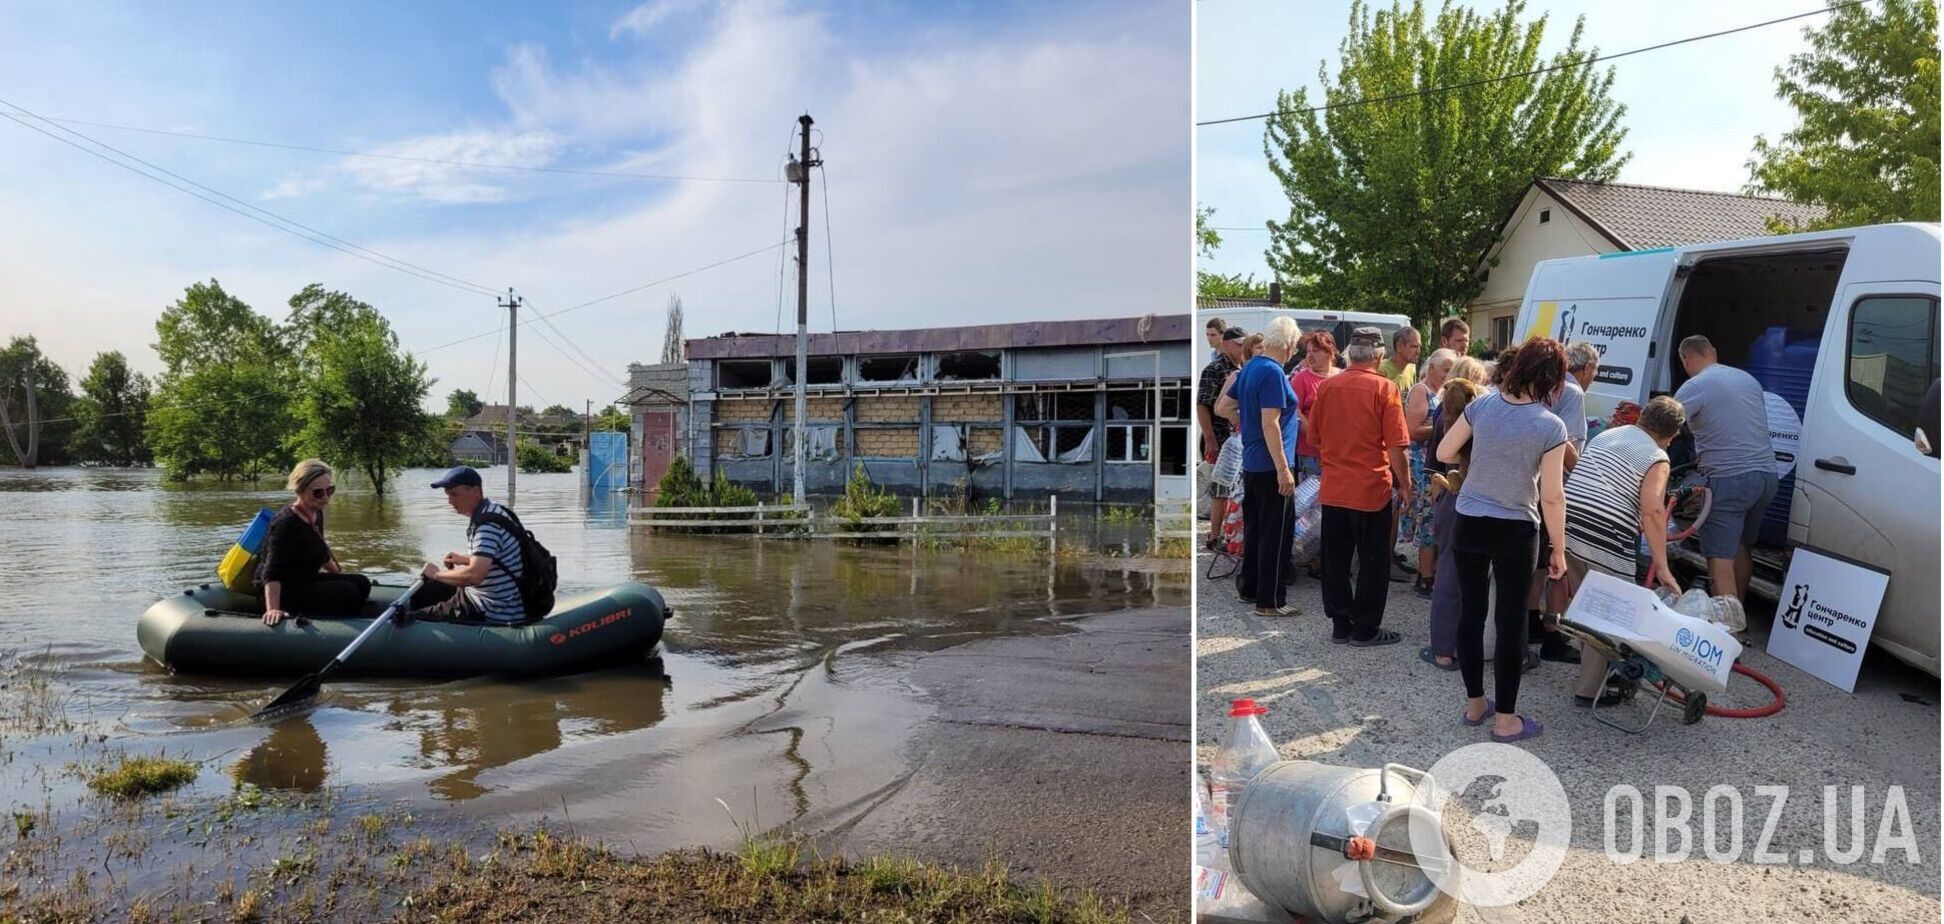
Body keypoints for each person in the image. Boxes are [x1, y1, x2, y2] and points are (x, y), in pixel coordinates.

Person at [1436, 338, 1571, 744]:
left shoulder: (1482, 406)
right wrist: (1559, 549)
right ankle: (1506, 719)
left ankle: (1475, 703)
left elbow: (1444, 450)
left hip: (1470, 521)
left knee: (1471, 614)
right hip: (1515, 528)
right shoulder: (1550, 425)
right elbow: (1552, 494)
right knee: (1510, 623)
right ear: (1549, 379)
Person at [1563, 395, 1687, 706]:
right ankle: (1591, 689)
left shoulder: (1608, 434)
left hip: (1569, 523)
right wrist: (1662, 567)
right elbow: (1653, 512)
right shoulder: (1656, 457)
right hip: (1603, 533)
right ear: (1672, 435)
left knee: (1586, 603)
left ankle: (1597, 667)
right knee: (1609, 612)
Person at [1307, 326, 1412, 646]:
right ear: (1379, 356)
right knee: (1373, 562)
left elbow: (1313, 438)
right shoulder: (1385, 389)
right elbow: (1397, 446)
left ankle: (1340, 624)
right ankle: (1365, 628)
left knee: (1335, 560)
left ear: (1351, 354)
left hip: (1335, 487)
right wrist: (1405, 485)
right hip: (1370, 489)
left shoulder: (1328, 387)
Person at [1673, 335, 1778, 602]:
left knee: (1720, 555)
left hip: (1730, 479)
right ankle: (1738, 612)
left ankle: (1726, 632)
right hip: (1766, 476)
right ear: (1713, 352)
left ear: (1685, 359)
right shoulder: (1747, 380)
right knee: (1740, 545)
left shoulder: (1694, 386)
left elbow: (1664, 425)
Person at [1233, 317, 1302, 616]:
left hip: (1251, 461)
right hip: (1271, 463)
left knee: (1256, 528)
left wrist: (1244, 424)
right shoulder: (1274, 372)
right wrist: (1283, 469)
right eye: (1296, 346)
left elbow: (1224, 406)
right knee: (1276, 533)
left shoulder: (1249, 367)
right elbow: (1270, 422)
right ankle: (1271, 601)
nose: (1295, 351)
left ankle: (1249, 588)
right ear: (1288, 345)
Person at [407, 466, 529, 624]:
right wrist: (466, 559)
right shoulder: (494, 510)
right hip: (500, 600)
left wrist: (435, 574)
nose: (449, 501)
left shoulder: (487, 526)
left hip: (491, 609)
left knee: (412, 619)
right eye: (448, 495)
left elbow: (474, 576)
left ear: (476, 492)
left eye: (454, 494)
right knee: (426, 591)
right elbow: (500, 557)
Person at [259, 459, 372, 626]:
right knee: (348, 593)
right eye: (318, 492)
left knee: (361, 583)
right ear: (300, 490)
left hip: (305, 579)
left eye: (330, 490)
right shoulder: (286, 523)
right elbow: (271, 573)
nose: (326, 497)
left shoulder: (315, 514)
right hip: (285, 589)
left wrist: (341, 577)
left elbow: (321, 553)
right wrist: (272, 608)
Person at [1421, 376, 1482, 670]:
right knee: (1474, 581)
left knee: (1447, 576)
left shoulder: (1450, 427)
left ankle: (1443, 649)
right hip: (1481, 503)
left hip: (1455, 501)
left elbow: (1437, 461)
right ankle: (1466, 645)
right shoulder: (1483, 421)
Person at [1404, 349, 1457, 595]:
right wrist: (1440, 427)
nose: (1448, 373)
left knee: (1437, 517)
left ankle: (1432, 570)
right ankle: (1424, 576)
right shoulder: (1421, 391)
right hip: (1423, 464)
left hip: (1437, 461)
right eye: (1445, 368)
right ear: (1432, 368)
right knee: (1428, 518)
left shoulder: (1442, 393)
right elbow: (1411, 430)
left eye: (1451, 369)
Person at [1198, 327, 1246, 549]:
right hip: (1219, 436)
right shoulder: (1215, 369)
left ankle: (1230, 534)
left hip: (1236, 439)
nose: (1241, 348)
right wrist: (1209, 439)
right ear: (1226, 345)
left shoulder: (1243, 367)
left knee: (1234, 489)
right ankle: (1214, 536)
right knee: (1220, 489)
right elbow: (1202, 405)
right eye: (1238, 344)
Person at [1289, 330, 1337, 485]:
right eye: (1308, 351)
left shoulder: (1341, 377)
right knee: (1309, 504)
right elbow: (1295, 412)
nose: (1310, 355)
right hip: (1310, 453)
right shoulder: (1301, 378)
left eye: (1315, 351)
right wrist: (1319, 442)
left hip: (1339, 452)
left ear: (1329, 352)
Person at [1379, 326, 1422, 394]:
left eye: (1419, 347)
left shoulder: (1412, 367)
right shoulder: (1382, 369)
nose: (1418, 351)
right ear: (1399, 347)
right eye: (1414, 346)